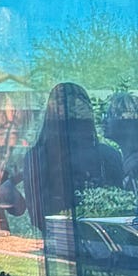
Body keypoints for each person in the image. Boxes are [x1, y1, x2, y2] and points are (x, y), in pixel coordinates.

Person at [23, 81, 126, 228]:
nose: (75, 126)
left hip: (107, 237)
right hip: (58, 237)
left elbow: (120, 209)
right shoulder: (37, 158)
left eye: (80, 119)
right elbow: (38, 217)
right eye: (71, 119)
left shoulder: (109, 156)